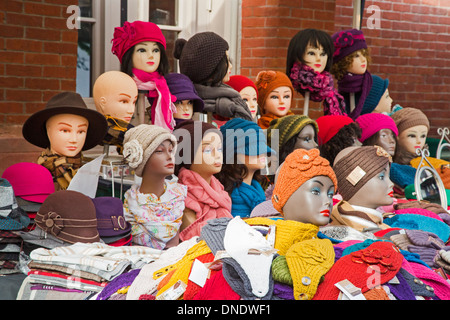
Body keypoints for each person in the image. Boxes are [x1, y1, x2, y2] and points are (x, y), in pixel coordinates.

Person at [22, 92, 107, 190]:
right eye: (65, 130)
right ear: (48, 131)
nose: (74, 139)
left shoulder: (91, 173)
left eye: (81, 131)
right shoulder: (35, 177)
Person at [122, 124, 187, 249]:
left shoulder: (177, 200)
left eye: (170, 150)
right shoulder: (130, 207)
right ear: (141, 158)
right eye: (159, 151)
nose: (170, 157)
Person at [173, 120, 232, 241]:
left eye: (220, 149)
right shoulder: (182, 198)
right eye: (208, 150)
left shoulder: (220, 193)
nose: (217, 155)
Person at [174, 32, 252, 123]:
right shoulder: (191, 103)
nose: (230, 66)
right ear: (209, 68)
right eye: (226, 61)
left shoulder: (231, 98)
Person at [112, 20, 176, 131]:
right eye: (142, 50)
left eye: (156, 50)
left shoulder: (163, 87)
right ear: (129, 54)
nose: (151, 56)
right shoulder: (120, 88)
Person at [215, 118, 273, 218]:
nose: (263, 153)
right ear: (234, 154)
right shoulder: (232, 197)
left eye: (263, 147)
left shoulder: (257, 189)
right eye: (254, 148)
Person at [286, 28, 346, 116]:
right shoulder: (288, 87)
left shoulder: (329, 90)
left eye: (323, 54)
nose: (319, 59)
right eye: (311, 53)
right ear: (297, 55)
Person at [331, 28, 373, 119]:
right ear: (343, 61)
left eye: (364, 54)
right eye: (356, 56)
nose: (363, 59)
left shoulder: (374, 84)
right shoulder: (338, 94)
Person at [93, 70, 138, 153]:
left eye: (134, 102)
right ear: (103, 103)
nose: (131, 110)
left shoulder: (130, 133)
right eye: (124, 101)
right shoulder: (101, 132)